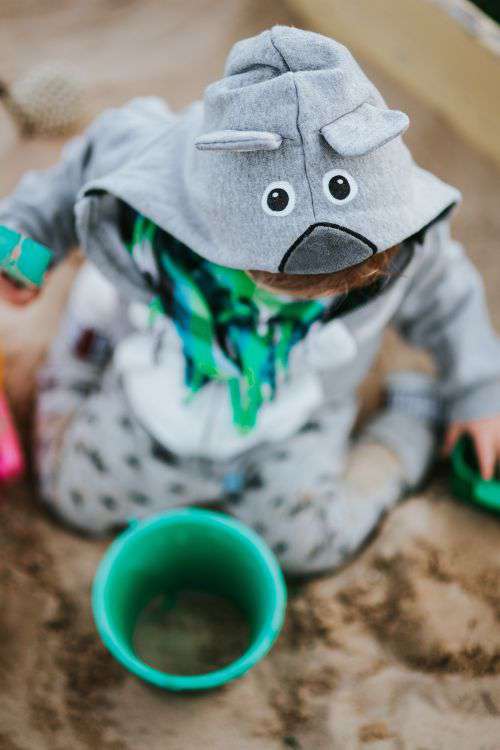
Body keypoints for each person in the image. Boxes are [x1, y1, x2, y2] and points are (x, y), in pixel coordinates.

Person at [2, 26, 500, 574]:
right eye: (286, 287)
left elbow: (448, 296)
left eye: (345, 287)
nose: (319, 297)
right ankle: (81, 355)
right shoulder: (158, 166)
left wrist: (479, 392)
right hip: (158, 383)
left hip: (298, 410)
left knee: (310, 546)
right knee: (71, 496)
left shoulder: (401, 221)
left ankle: (413, 417)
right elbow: (78, 169)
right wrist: (25, 235)